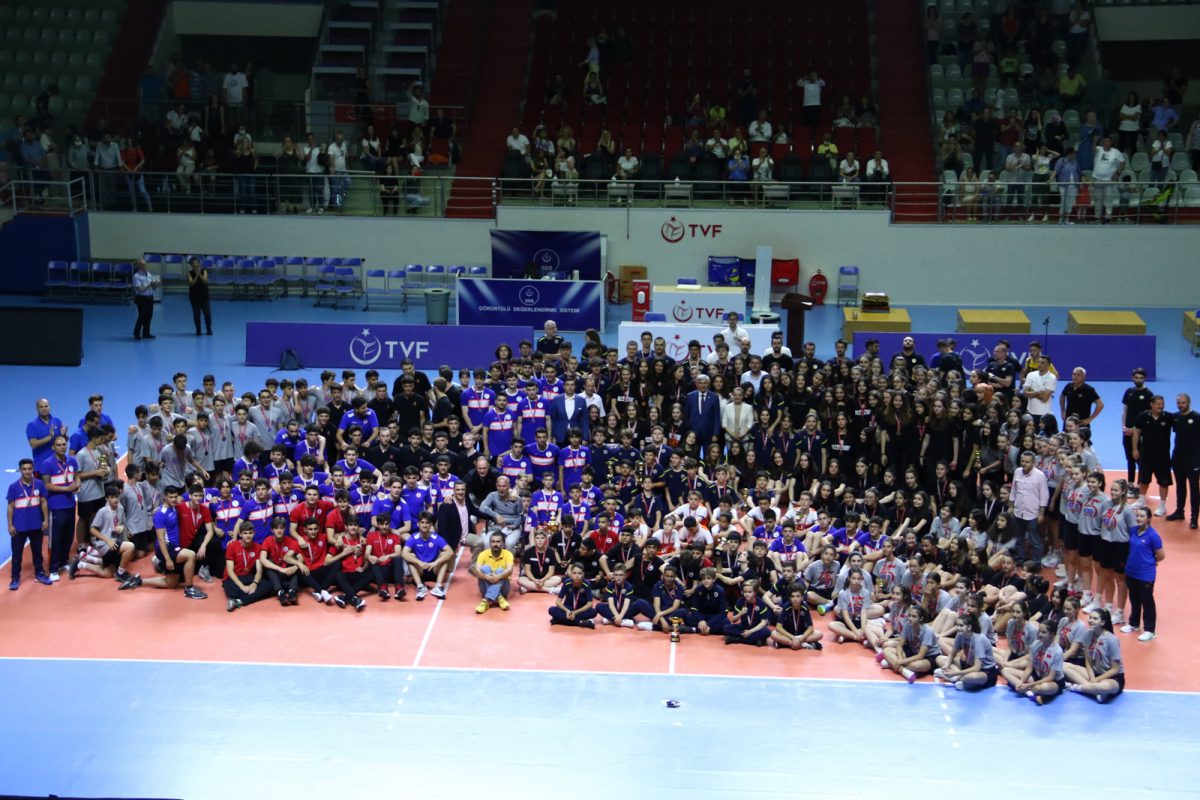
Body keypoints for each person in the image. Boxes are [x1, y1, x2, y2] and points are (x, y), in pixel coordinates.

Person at [7, 458, 51, 589]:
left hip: (36, 525)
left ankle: (40, 573)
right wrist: (10, 525)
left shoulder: (39, 484)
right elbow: (10, 507)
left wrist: (45, 520)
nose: (27, 471)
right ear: (20, 470)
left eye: (29, 469)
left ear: (33, 469)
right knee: (17, 555)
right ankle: (15, 578)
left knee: (37, 552)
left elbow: (43, 502)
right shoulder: (13, 487)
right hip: (19, 526)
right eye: (24, 469)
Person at [1065, 609, 1125, 702]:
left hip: (1111, 677)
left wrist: (1096, 680)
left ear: (1103, 622)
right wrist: (1092, 677)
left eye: (1095, 618)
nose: (1091, 620)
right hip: (1094, 673)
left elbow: (1115, 669)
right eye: (1090, 617)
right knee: (1063, 665)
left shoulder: (1111, 639)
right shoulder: (1087, 635)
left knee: (1106, 687)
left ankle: (1077, 687)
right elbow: (1088, 660)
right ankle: (1095, 691)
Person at [1122, 506, 1163, 641]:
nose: (1139, 518)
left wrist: (1150, 562)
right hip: (1131, 571)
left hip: (1145, 574)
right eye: (1137, 516)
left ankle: (1150, 630)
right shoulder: (1133, 531)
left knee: (1147, 601)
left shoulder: (1153, 535)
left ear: (1149, 519)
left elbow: (1161, 555)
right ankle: (1134, 623)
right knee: (1134, 599)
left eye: (1142, 516)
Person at [1003, 622, 1065, 705]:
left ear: (1052, 634)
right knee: (1005, 670)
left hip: (1053, 681)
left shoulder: (1057, 651)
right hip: (1037, 676)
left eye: (1044, 632)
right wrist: (1021, 682)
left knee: (1042, 687)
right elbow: (1029, 668)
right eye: (1039, 631)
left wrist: (1028, 685)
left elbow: (1050, 677)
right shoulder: (1035, 645)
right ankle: (1029, 693)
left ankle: (1026, 690)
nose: (1040, 634)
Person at [1131, 395, 1173, 517]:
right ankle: (1141, 501)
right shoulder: (1142, 416)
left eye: (1162, 404)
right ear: (1152, 404)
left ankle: (1162, 506)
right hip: (1146, 454)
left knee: (1163, 482)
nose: (1161, 406)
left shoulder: (1168, 417)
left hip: (1163, 456)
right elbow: (1136, 433)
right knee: (1144, 479)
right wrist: (1135, 449)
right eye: (1158, 404)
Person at [401, 511, 454, 599]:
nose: (425, 525)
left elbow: (450, 552)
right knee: (411, 557)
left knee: (444, 554)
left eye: (427, 523)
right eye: (422, 522)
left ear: (431, 525)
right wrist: (419, 562)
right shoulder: (414, 537)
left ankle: (438, 587)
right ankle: (420, 587)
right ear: (418, 524)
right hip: (420, 570)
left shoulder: (436, 537)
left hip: (434, 569)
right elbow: (404, 553)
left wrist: (435, 563)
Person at [1168, 393, 1200, 528]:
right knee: (1180, 486)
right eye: (1179, 403)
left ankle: (1194, 518)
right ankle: (1179, 511)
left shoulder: (1197, 418)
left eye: (1183, 402)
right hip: (1178, 458)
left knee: (1194, 488)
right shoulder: (1175, 417)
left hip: (1193, 459)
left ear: (1189, 402)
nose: (1181, 405)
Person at [470, 531, 514, 613]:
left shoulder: (508, 554)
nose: (495, 544)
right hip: (485, 587)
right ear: (490, 543)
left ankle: (486, 600)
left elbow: (510, 570)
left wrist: (497, 576)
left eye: (498, 542)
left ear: (503, 543)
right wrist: (487, 577)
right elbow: (477, 571)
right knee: (485, 568)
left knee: (500, 570)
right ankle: (499, 598)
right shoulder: (483, 554)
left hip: (503, 588)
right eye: (493, 542)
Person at [549, 562, 596, 628]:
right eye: (574, 573)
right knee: (551, 610)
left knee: (593, 612)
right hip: (569, 608)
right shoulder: (567, 583)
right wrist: (567, 611)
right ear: (571, 574)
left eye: (579, 573)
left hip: (580, 609)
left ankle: (559, 620)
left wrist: (575, 612)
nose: (577, 576)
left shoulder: (586, 584)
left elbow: (589, 604)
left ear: (583, 574)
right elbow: (558, 601)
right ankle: (580, 622)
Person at [132, 260, 159, 340]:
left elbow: (153, 287)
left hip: (150, 297)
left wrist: (155, 285)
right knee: (142, 316)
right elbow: (140, 290)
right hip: (141, 298)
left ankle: (146, 333)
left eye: (145, 264)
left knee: (149, 316)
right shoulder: (136, 276)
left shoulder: (149, 274)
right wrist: (149, 285)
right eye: (143, 265)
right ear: (139, 266)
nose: (145, 266)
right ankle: (136, 333)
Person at [186, 256, 212, 336]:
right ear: (191, 265)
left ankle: (208, 329)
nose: (195, 264)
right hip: (194, 297)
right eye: (193, 263)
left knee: (207, 314)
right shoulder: (189, 273)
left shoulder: (204, 271)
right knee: (196, 315)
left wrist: (199, 274)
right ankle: (198, 330)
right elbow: (191, 283)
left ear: (199, 263)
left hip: (204, 296)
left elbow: (205, 281)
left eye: (196, 263)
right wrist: (196, 275)